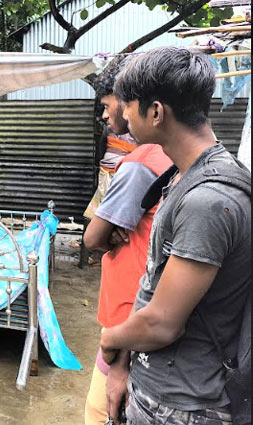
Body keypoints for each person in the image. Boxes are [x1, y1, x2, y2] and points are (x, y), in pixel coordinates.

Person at [99, 47, 251, 425]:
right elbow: (151, 284)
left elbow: (162, 322)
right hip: (156, 384)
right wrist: (121, 369)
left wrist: (110, 340)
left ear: (155, 112)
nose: (123, 115)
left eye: (127, 105)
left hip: (186, 404)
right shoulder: (182, 176)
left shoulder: (209, 201)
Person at [81, 58, 172, 425]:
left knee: (100, 409)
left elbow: (93, 237)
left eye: (107, 106)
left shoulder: (139, 164)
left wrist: (107, 232)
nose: (105, 116)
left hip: (127, 311)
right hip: (143, 306)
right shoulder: (171, 160)